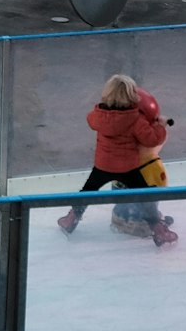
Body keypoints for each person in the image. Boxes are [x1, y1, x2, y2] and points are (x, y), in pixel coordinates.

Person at [57, 74, 175, 246]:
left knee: (87, 191)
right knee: (145, 197)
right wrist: (160, 126)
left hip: (103, 165)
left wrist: (102, 110)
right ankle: (158, 228)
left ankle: (72, 217)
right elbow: (152, 140)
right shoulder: (136, 120)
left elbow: (90, 119)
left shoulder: (98, 116)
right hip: (128, 168)